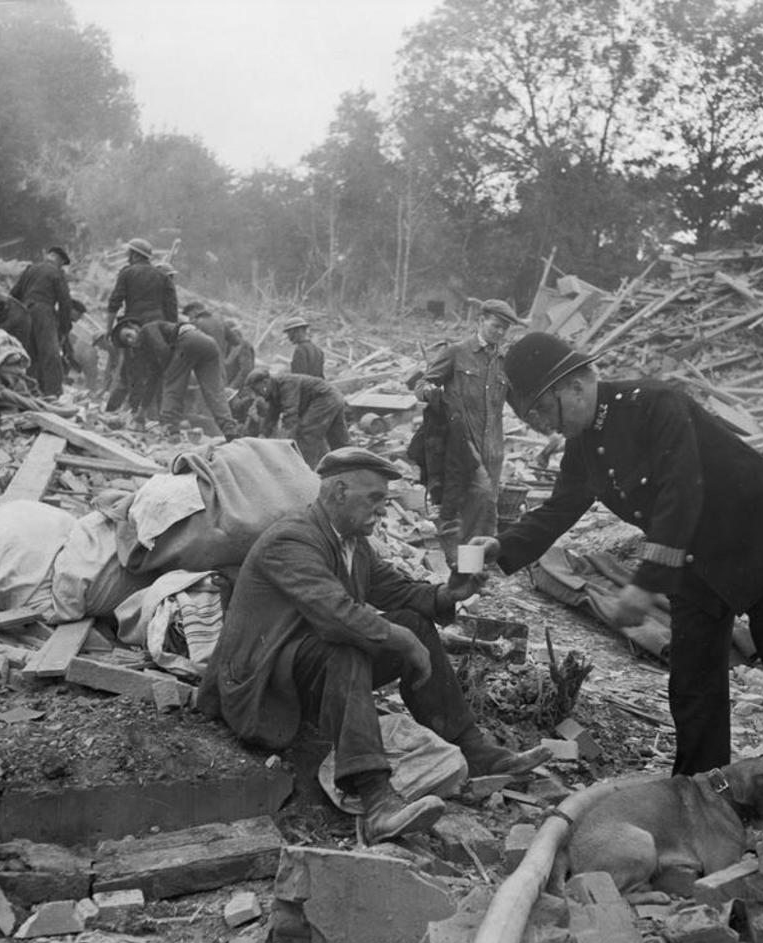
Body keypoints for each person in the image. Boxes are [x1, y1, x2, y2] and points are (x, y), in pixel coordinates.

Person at [469, 332, 763, 840]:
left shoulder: (654, 404)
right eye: (534, 419)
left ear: (579, 383)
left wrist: (647, 580)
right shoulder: (584, 448)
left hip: (759, 535)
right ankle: (703, 796)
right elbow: (558, 509)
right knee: (694, 683)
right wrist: (502, 549)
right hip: (694, 558)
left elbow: (681, 488)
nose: (545, 426)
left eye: (545, 411)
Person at [197, 447, 551, 844]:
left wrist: (450, 594)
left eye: (385, 500)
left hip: (304, 667)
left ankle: (472, 748)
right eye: (374, 498)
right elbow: (335, 615)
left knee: (413, 621)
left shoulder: (352, 543)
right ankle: (375, 798)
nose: (383, 510)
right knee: (350, 644)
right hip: (260, 682)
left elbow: (399, 592)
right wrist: (404, 643)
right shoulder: (291, 538)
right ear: (338, 492)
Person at [411, 298, 525, 566]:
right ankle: (464, 564)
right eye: (495, 326)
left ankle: (472, 566)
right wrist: (428, 391)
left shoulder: (504, 362)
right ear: (480, 321)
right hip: (461, 444)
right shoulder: (456, 353)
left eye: (504, 329)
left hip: (493, 447)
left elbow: (519, 404)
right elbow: (423, 383)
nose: (499, 333)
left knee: (483, 507)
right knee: (479, 496)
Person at [110, 317, 240, 441]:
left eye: (128, 335)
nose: (130, 341)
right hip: (208, 343)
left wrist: (169, 373)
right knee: (215, 392)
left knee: (172, 386)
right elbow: (153, 379)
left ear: (134, 327)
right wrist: (142, 410)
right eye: (127, 342)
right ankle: (230, 432)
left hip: (188, 339)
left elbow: (164, 354)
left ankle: (171, 431)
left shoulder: (147, 328)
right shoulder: (148, 348)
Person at [239, 367, 350, 469]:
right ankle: (347, 463)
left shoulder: (286, 384)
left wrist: (283, 443)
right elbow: (272, 416)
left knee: (306, 432)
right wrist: (263, 434)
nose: (257, 394)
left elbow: (290, 414)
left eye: (257, 390)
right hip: (333, 397)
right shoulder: (274, 390)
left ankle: (306, 469)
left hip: (325, 397)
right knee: (338, 437)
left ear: (265, 382)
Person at [9, 245, 72, 397]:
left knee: (29, 353)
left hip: (23, 312)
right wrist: (64, 327)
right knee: (50, 353)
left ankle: (29, 392)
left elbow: (13, 294)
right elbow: (65, 302)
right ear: (60, 260)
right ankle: (54, 394)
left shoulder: (30, 269)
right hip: (43, 312)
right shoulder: (56, 272)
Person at [105, 237, 178, 334]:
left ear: (134, 255)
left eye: (128, 254)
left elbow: (114, 303)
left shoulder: (127, 273)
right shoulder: (164, 276)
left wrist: (109, 329)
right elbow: (172, 308)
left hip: (134, 325)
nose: (127, 258)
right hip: (159, 326)